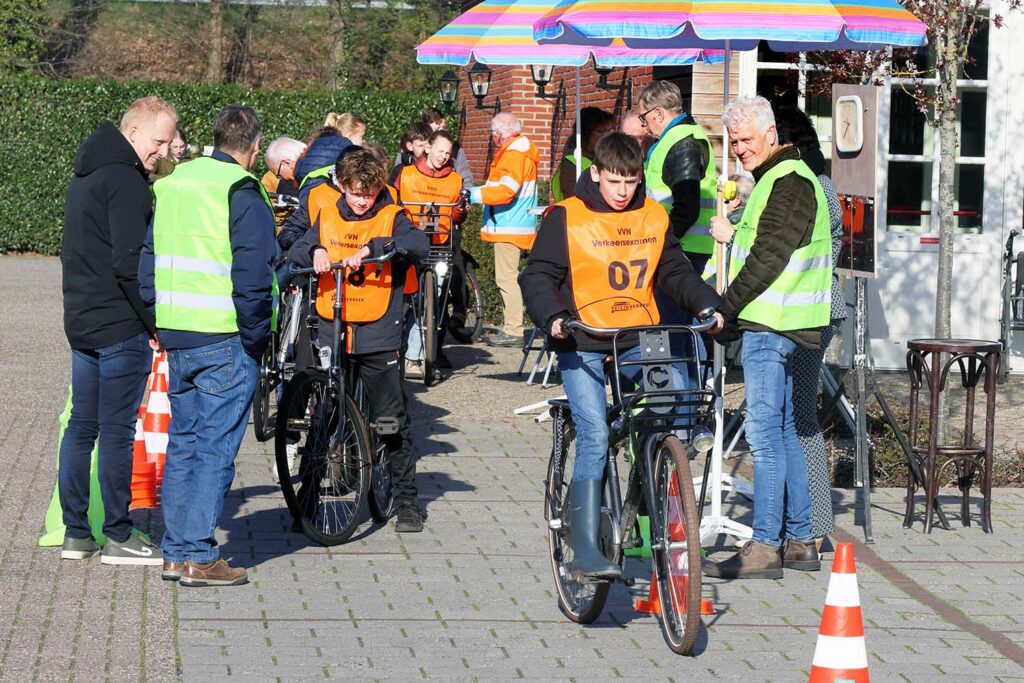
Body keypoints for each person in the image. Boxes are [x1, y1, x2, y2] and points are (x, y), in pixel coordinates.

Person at [519, 132, 723, 578]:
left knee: (670, 412)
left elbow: (673, 271)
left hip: (638, 336)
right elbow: (537, 275)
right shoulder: (566, 217)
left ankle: (653, 492)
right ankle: (586, 548)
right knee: (594, 434)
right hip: (584, 338)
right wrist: (552, 315)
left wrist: (707, 303)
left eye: (630, 182)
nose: (622, 191)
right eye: (614, 181)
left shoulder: (652, 215)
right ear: (596, 174)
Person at [139, 104, 276, 586]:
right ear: (254, 148)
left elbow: (148, 256)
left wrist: (157, 316)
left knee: (185, 444)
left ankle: (176, 552)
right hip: (225, 336)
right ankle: (198, 553)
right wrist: (257, 336)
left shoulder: (172, 182)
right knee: (215, 450)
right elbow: (254, 275)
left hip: (178, 334)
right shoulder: (241, 188)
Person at [703, 96, 832, 580]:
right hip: (780, 322)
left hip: (769, 325)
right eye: (733, 142)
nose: (738, 149)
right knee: (780, 432)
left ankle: (764, 546)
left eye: (745, 140)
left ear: (771, 133)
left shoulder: (788, 180)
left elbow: (768, 257)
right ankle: (800, 539)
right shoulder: (779, 178)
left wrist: (726, 307)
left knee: (763, 436)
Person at [59, 95, 177, 566]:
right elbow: (130, 263)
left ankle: (75, 534)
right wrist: (154, 324)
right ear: (133, 134)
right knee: (115, 432)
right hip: (119, 324)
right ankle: (118, 534)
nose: (163, 152)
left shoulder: (86, 172)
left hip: (83, 319)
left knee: (82, 426)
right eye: (158, 141)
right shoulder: (126, 180)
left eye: (168, 143)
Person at [288, 149, 430, 532]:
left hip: (378, 328)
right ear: (341, 186)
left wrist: (377, 248)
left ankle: (407, 502)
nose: (363, 200)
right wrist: (315, 249)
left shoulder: (392, 215)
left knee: (389, 419)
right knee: (325, 413)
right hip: (334, 324)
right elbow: (297, 245)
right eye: (355, 193)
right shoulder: (328, 213)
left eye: (368, 193)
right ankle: (308, 496)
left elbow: (418, 244)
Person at [773, 105, 846, 549]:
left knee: (798, 417)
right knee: (791, 415)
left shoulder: (811, 187)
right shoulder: (816, 183)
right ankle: (802, 519)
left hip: (810, 310)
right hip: (811, 308)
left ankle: (814, 525)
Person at [393, 130, 468, 378]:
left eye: (448, 153)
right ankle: (396, 350)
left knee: (431, 302)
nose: (444, 157)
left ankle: (415, 356)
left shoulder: (455, 179)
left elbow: (458, 214)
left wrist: (460, 210)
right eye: (440, 151)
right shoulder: (405, 174)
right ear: (427, 149)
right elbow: (392, 201)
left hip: (439, 245)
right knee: (403, 301)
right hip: (408, 243)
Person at [468, 112, 539, 347]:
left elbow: (505, 191)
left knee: (506, 279)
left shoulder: (512, 155)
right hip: (519, 225)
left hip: (510, 226)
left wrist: (474, 194)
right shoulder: (521, 152)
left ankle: (513, 329)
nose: (492, 137)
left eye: (492, 133)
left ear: (498, 135)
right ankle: (513, 327)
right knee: (510, 278)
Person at [638, 80, 718, 278]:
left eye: (643, 117)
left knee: (670, 309)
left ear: (658, 114)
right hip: (681, 245)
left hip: (681, 248)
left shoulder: (682, 143)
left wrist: (662, 243)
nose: (643, 125)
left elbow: (687, 208)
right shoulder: (677, 139)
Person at [550, 107, 615, 202]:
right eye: (600, 131)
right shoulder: (572, 163)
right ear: (585, 133)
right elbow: (573, 198)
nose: (606, 136)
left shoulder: (606, 156)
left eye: (609, 131)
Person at [421, 106, 473, 188]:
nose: (441, 131)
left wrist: (465, 196)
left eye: (444, 128)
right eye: (438, 128)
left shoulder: (456, 151)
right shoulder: (416, 148)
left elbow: (466, 180)